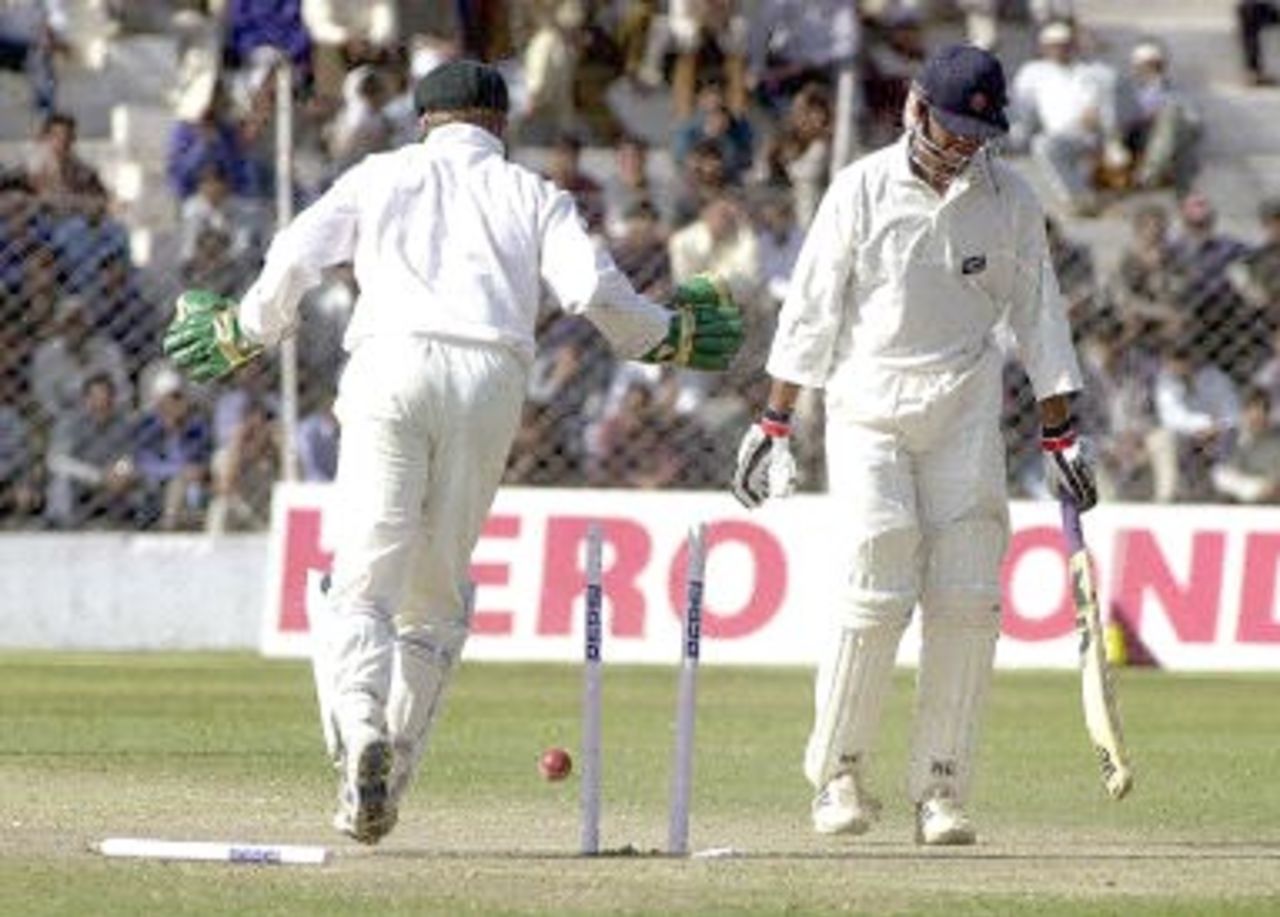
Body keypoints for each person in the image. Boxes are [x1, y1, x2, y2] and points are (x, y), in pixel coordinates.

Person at [162, 59, 743, 846]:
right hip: (490, 377)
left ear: (422, 119)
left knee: (361, 582)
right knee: (435, 597)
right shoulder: (533, 193)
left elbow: (298, 249)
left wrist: (248, 328)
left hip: (389, 366)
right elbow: (595, 294)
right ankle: (392, 766)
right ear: (500, 125)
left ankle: (361, 728)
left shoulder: (381, 174)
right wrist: (663, 334)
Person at [729, 45, 1095, 846]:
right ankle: (838, 774)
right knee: (878, 572)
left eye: (977, 133)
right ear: (915, 109)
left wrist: (1061, 431)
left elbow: (1040, 315)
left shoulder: (1010, 198)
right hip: (866, 403)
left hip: (964, 406)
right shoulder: (860, 188)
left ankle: (942, 787)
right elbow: (813, 312)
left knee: (968, 597)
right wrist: (775, 420)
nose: (962, 145)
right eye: (951, 127)